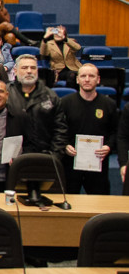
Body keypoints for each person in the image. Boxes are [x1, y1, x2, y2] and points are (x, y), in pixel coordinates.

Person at [52, 64, 119, 195]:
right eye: (83, 76)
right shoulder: (65, 103)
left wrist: (109, 146)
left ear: (98, 80)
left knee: (100, 203)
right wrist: (64, 146)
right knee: (68, 201)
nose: (87, 79)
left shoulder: (108, 104)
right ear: (77, 80)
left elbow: (115, 132)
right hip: (70, 163)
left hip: (98, 164)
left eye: (91, 76)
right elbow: (56, 129)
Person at [7, 54, 60, 154]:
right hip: (12, 155)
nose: (29, 71)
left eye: (33, 68)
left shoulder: (50, 96)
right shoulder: (5, 94)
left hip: (44, 155)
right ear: (15, 71)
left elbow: (60, 129)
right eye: (24, 68)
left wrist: (55, 155)